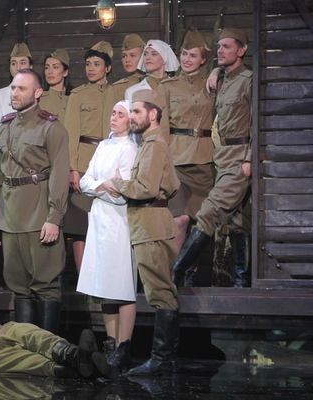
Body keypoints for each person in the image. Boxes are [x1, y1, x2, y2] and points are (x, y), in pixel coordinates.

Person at [0, 69, 69, 332]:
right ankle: (26, 346)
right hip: (10, 216)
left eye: (21, 88)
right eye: (13, 87)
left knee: (45, 284)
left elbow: (59, 175)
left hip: (38, 213)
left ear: (38, 92)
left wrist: (54, 217)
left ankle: (49, 347)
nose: (15, 93)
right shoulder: (5, 126)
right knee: (18, 285)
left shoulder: (51, 127)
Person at [172, 28, 252, 288]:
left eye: (227, 46)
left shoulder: (248, 80)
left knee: (207, 213)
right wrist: (217, 71)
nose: (221, 50)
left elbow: (256, 123)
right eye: (219, 46)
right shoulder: (222, 79)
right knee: (237, 222)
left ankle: (176, 272)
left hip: (240, 158)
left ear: (241, 50)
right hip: (221, 158)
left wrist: (249, 158)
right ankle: (241, 283)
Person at [108, 90, 180, 375]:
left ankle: (162, 360)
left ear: (153, 114)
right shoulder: (151, 143)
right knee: (161, 291)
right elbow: (168, 185)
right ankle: (163, 360)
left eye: (137, 112)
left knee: (161, 293)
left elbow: (145, 188)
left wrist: (118, 183)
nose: (133, 117)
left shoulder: (153, 145)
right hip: (150, 222)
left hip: (150, 224)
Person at [76, 100, 138, 378]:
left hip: (119, 221)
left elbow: (122, 191)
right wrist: (101, 185)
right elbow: (85, 181)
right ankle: (110, 343)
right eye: (112, 113)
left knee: (122, 284)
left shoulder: (130, 149)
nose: (114, 117)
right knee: (105, 285)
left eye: (120, 114)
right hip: (100, 218)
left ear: (130, 120)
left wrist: (99, 187)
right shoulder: (103, 145)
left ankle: (124, 346)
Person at [158, 29, 216, 282]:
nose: (187, 59)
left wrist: (217, 72)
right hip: (176, 160)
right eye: (184, 54)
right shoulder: (167, 86)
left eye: (193, 55)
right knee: (179, 219)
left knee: (202, 222)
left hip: (205, 160)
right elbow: (161, 128)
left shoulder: (213, 83)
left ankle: (192, 276)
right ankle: (170, 276)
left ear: (203, 59)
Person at [63, 40, 114, 274]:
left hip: (109, 164)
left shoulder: (117, 92)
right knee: (79, 227)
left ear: (108, 68)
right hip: (84, 163)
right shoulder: (78, 95)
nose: (91, 69)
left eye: (96, 64)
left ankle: (105, 277)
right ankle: (83, 279)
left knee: (106, 225)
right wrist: (73, 168)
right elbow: (71, 134)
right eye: (87, 64)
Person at [102, 33, 146, 130]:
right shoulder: (116, 89)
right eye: (124, 56)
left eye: (132, 55)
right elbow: (109, 125)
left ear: (144, 56)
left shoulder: (157, 83)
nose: (127, 60)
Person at [40, 48, 72, 120]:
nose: (50, 71)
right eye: (46, 67)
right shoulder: (38, 99)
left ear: (65, 72)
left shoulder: (74, 98)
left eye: (55, 67)